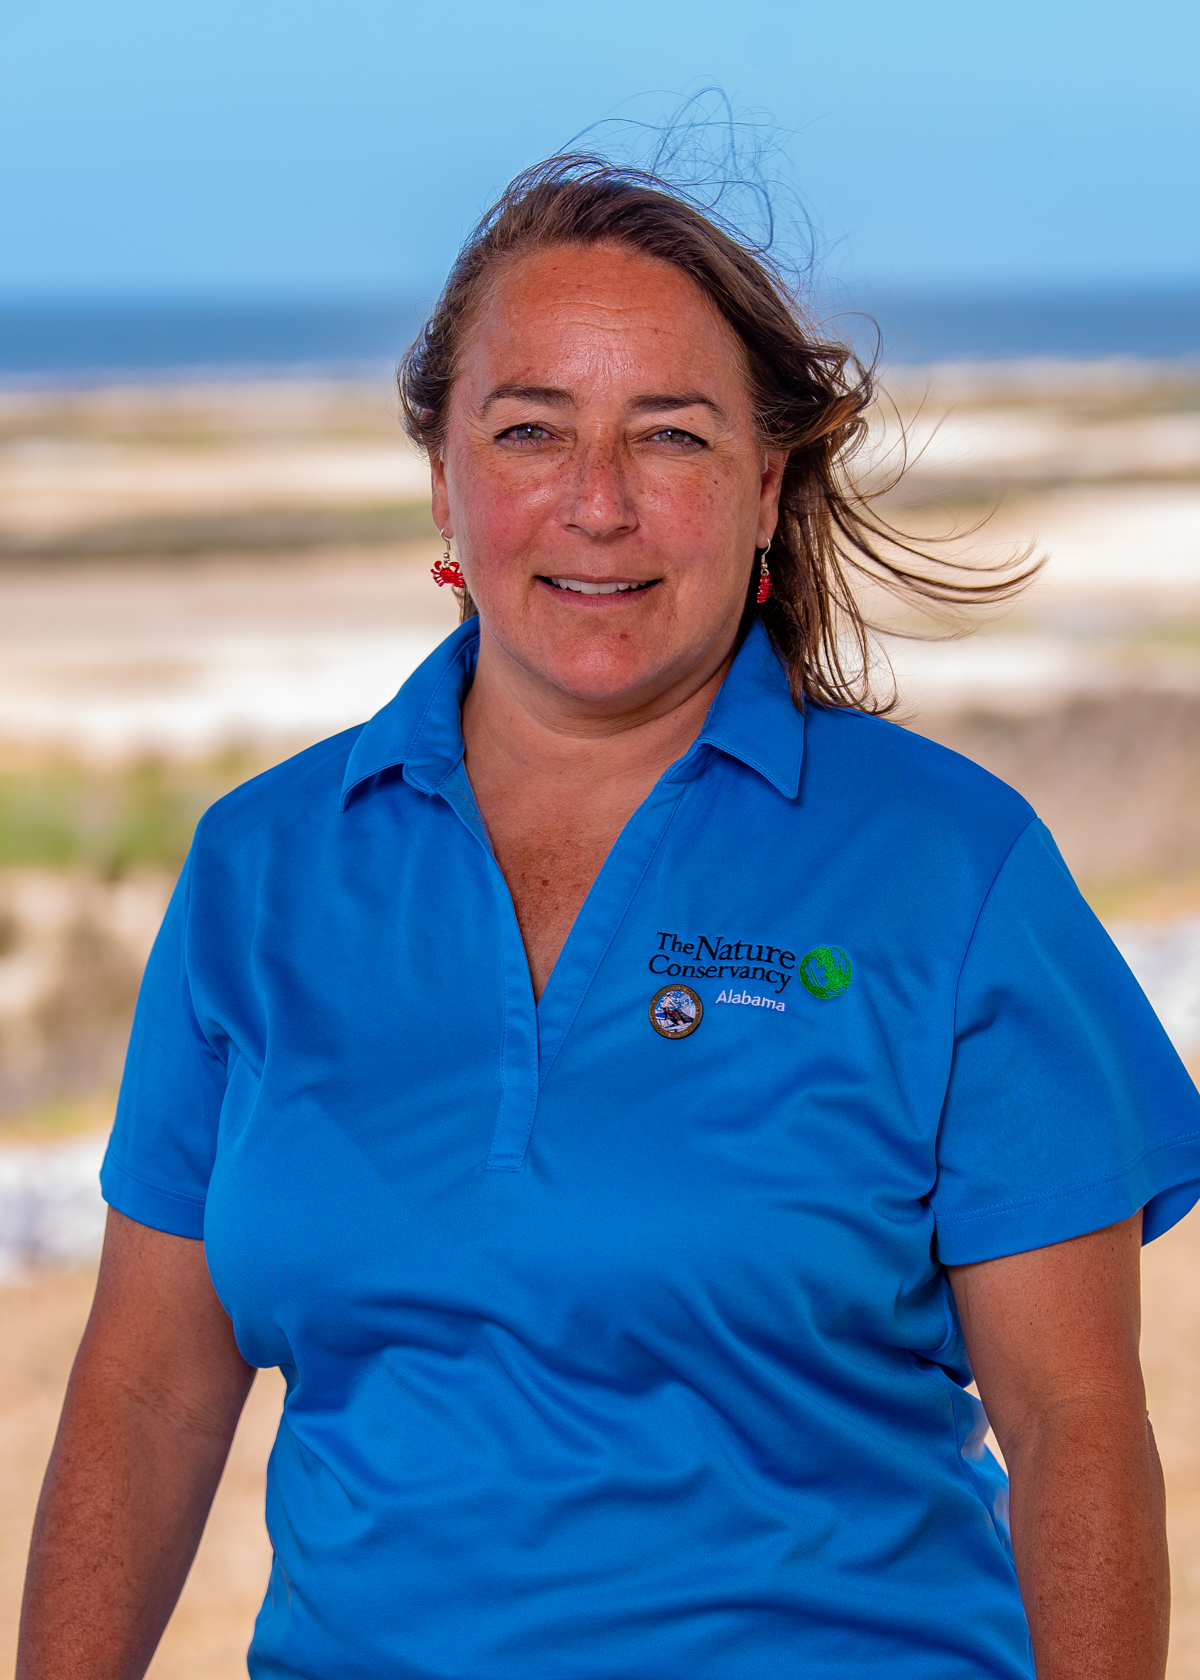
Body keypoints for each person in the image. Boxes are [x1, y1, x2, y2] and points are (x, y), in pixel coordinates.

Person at [19, 156, 1200, 1680]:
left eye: (672, 436)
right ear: (445, 481)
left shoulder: (952, 868)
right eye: (529, 431)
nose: (597, 501)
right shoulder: (261, 870)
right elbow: (145, 1395)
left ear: (766, 488)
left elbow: (1077, 1424)